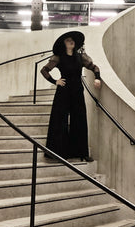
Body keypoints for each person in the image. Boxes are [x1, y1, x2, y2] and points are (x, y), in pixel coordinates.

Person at [41, 31, 101, 161]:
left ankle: (81, 153)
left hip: (77, 90)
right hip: (63, 90)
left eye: (72, 40)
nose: (71, 41)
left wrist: (97, 78)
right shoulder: (58, 57)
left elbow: (94, 67)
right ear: (64, 44)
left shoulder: (80, 57)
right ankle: (58, 153)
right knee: (59, 120)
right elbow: (44, 70)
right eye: (68, 40)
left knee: (79, 120)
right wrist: (55, 81)